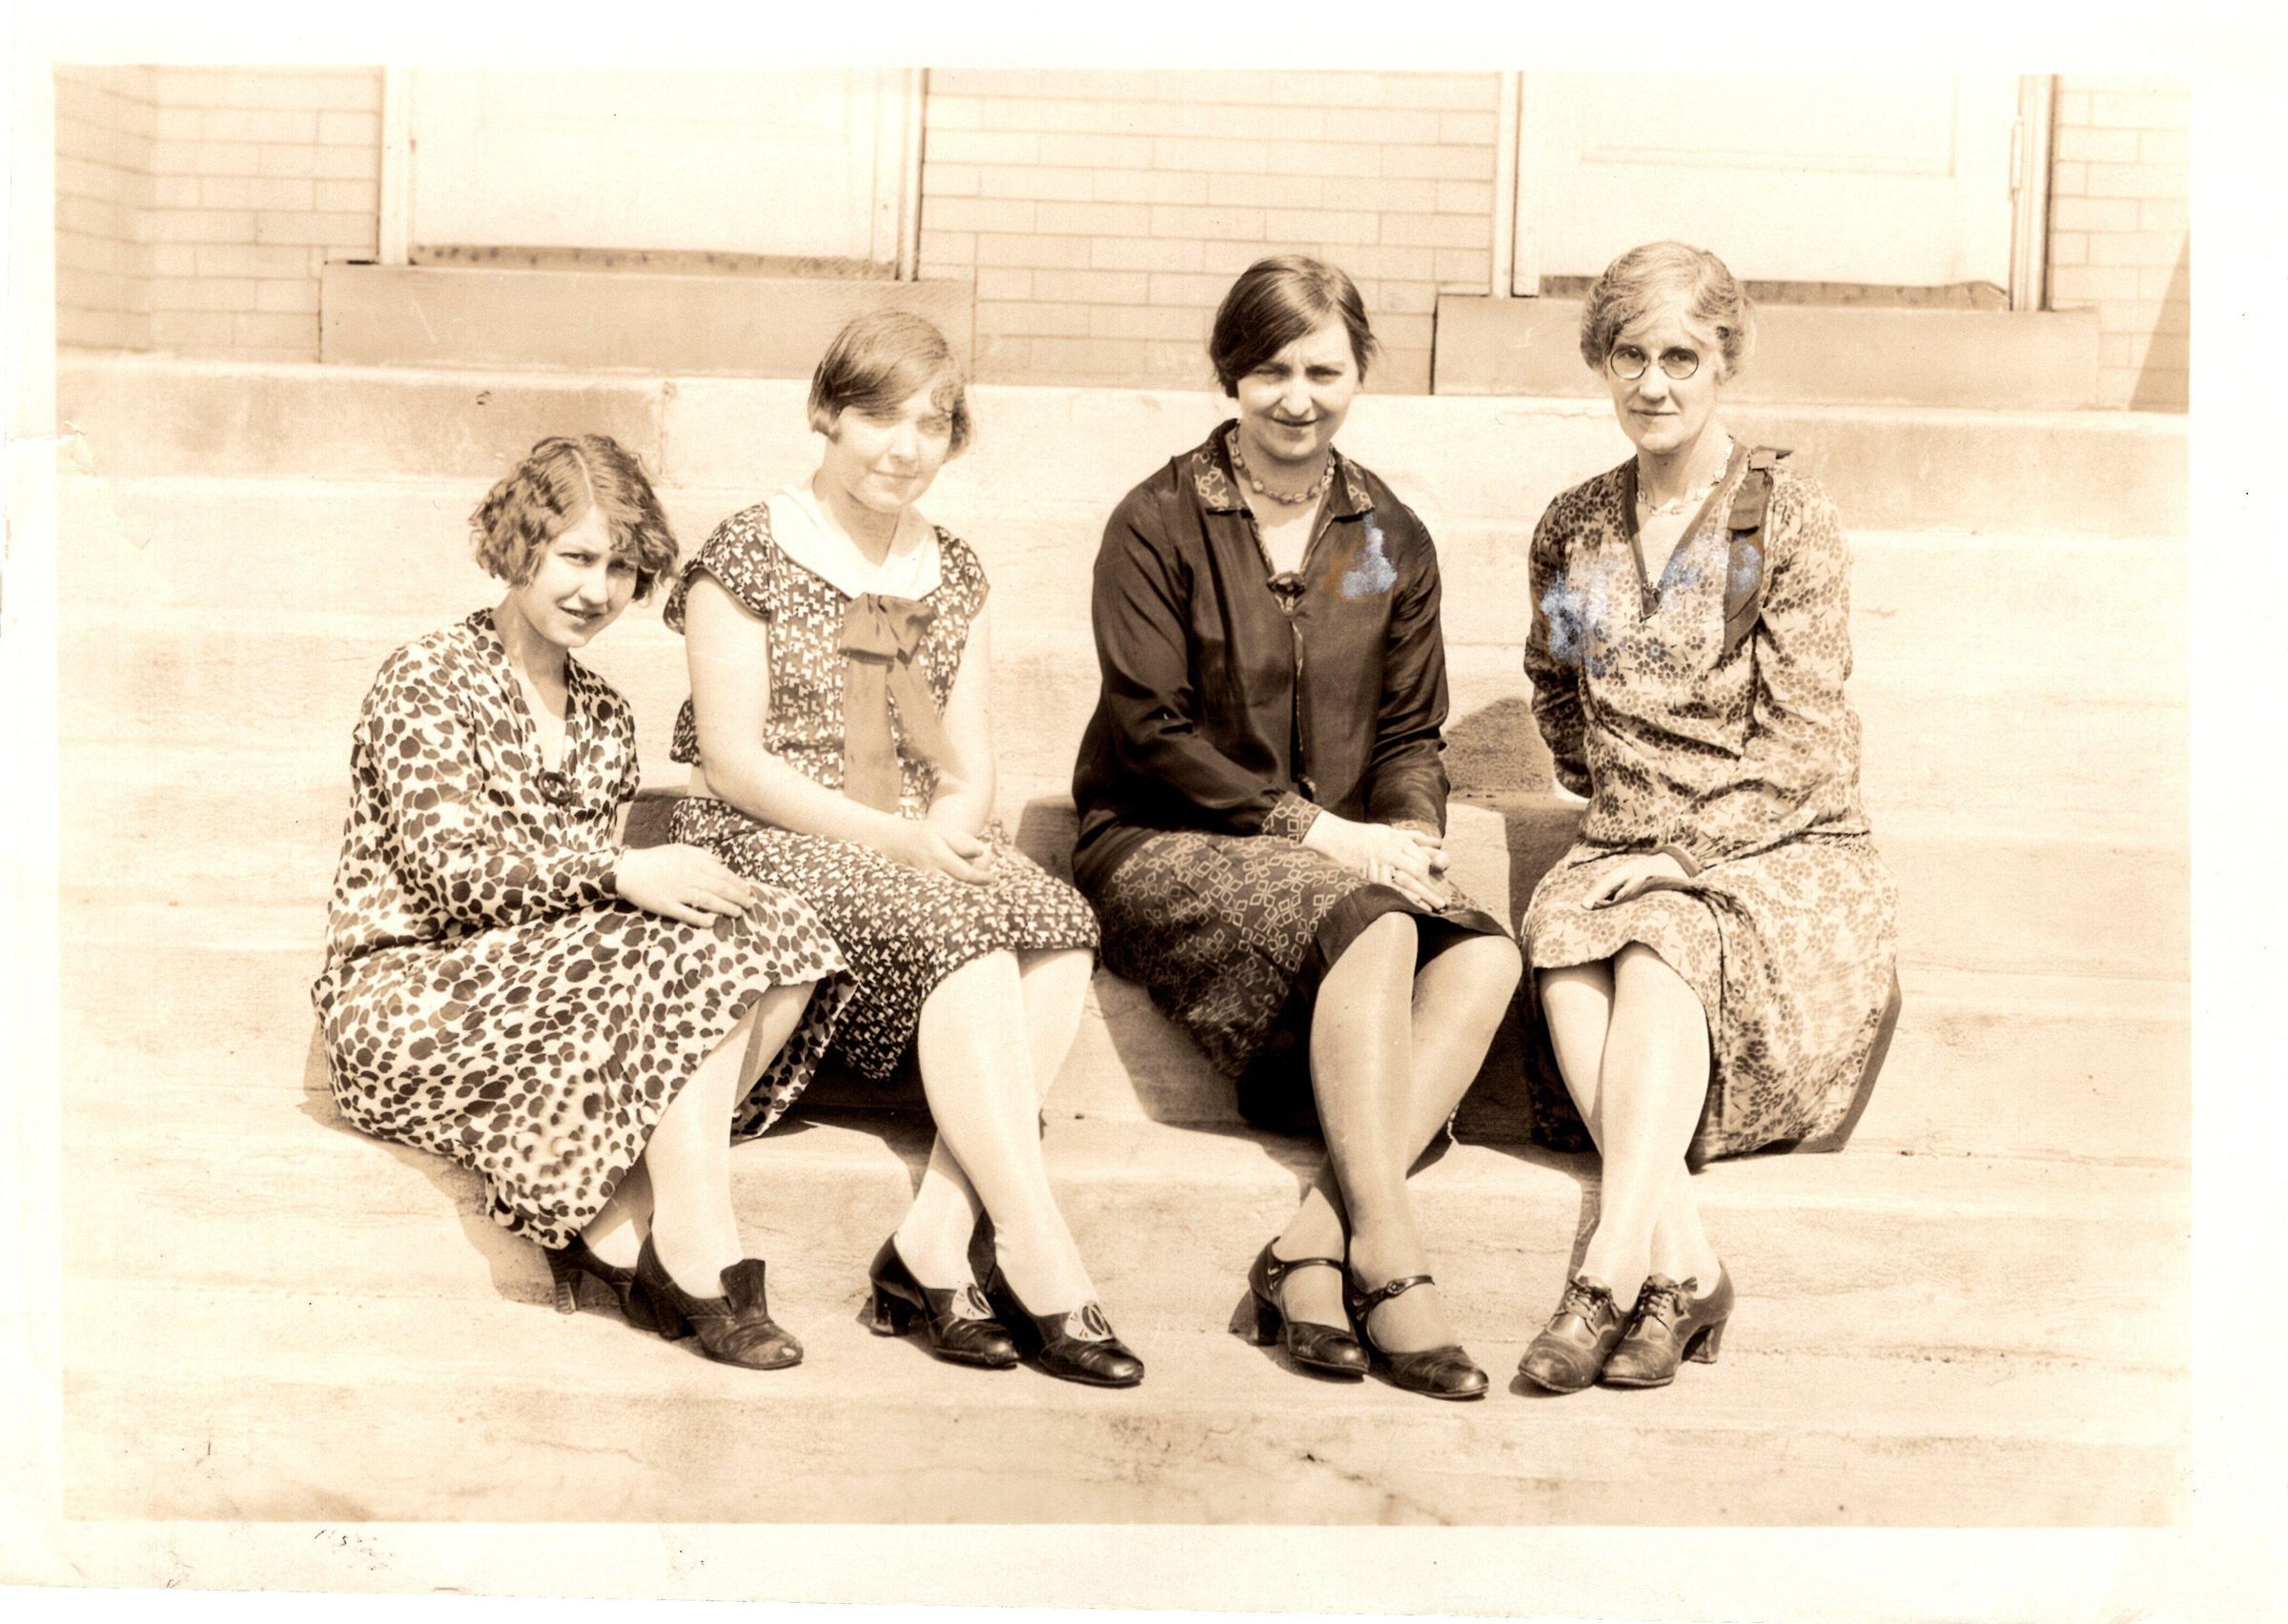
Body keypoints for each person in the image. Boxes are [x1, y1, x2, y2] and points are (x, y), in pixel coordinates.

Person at [1072, 255, 1523, 1402]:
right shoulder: (1157, 522)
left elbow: (1412, 732)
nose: (1297, 398)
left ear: (1359, 374)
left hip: (1339, 861)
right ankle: (1393, 1258)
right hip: (1165, 835)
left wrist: (1411, 833)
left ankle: (1312, 1241)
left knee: (1482, 954)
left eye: (1324, 371)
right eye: (1270, 370)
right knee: (1373, 922)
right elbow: (1150, 729)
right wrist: (1320, 833)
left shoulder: (1389, 536)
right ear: (1230, 374)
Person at [662, 311, 1140, 1388]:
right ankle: (1037, 1250)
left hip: (912, 837)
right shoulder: (750, 549)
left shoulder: (951, 569)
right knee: (964, 929)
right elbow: (734, 761)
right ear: (825, 415)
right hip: (772, 829)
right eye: (878, 417)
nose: (904, 446)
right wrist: (900, 843)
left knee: (1056, 922)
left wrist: (954, 829)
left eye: (932, 424)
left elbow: (969, 761)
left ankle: (934, 1236)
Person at [314, 436, 852, 1372]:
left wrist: (634, 888)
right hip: (409, 995)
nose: (597, 590)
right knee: (692, 942)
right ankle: (694, 1246)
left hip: (540, 988)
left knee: (779, 927)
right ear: (521, 545)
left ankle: (633, 1224)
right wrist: (620, 872)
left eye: (623, 568)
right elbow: (448, 876)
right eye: (576, 557)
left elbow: (583, 926)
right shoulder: (428, 678)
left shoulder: (605, 713)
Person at [1517, 242, 1903, 1392]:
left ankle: (1605, 1273)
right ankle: (1685, 1266)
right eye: (1629, 356)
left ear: (1725, 359)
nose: (1654, 384)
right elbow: (1553, 685)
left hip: (1780, 845)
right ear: (1602, 362)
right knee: (1563, 938)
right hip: (1626, 840)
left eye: (1681, 357)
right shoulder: (1575, 526)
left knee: (1663, 937)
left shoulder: (1785, 520)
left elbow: (1809, 743)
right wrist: (1628, 810)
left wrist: (1687, 848)